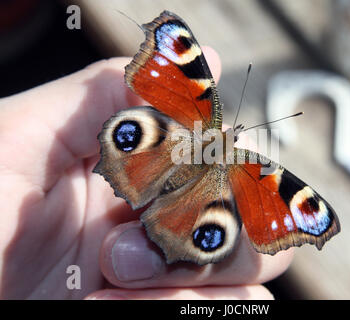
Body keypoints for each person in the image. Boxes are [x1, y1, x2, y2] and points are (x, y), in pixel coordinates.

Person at [0, 47, 293, 299]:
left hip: (164, 152)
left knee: (147, 133)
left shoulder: (209, 119)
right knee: (218, 226)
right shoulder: (253, 169)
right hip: (193, 189)